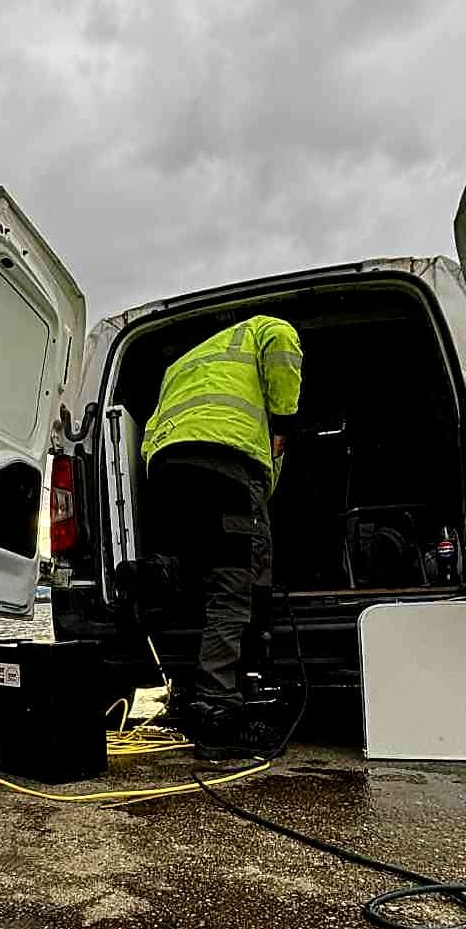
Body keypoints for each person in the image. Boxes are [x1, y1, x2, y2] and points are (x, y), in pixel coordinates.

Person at [140, 313, 302, 757]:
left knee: (193, 564)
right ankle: (217, 711)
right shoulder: (263, 327)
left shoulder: (186, 365)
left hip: (167, 471)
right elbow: (284, 343)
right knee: (234, 588)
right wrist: (283, 423)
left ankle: (151, 574)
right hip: (225, 468)